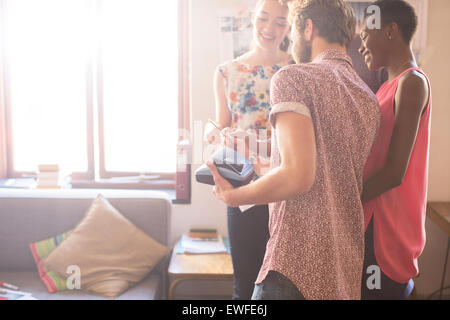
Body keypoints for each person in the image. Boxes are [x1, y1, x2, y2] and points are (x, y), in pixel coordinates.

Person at [207, 0, 380, 300]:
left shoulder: (293, 77)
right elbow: (323, 148)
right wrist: (259, 144)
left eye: (292, 29)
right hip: (341, 270)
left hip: (295, 266)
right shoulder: (366, 96)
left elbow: (299, 175)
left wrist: (233, 197)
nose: (291, 40)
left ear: (308, 28)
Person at [204, 0, 292, 300]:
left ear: (290, 27)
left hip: (287, 187)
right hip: (242, 187)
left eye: (280, 22)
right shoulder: (227, 72)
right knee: (245, 281)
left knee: (283, 283)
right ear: (252, 19)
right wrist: (214, 132)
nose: (270, 28)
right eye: (264, 19)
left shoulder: (298, 71)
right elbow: (221, 125)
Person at [358, 0, 431, 300]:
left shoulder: (411, 82)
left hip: (387, 228)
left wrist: (341, 201)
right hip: (373, 221)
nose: (361, 44)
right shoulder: (386, 86)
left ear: (390, 31)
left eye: (365, 35)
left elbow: (393, 172)